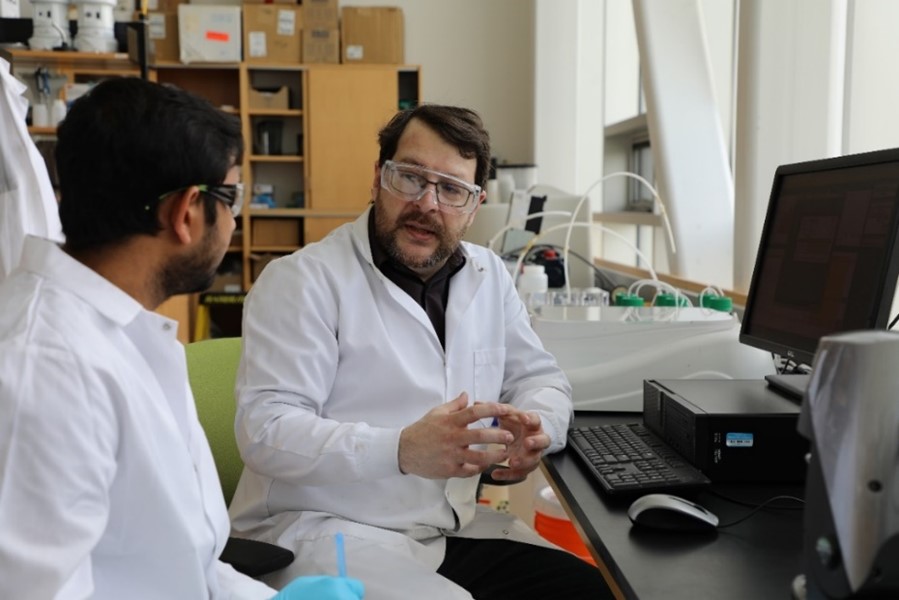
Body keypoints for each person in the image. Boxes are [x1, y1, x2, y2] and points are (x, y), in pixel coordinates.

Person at [229, 104, 613, 599]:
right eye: (410, 177)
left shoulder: (489, 276)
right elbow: (265, 429)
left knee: (590, 590)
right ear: (377, 178)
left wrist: (536, 428)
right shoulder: (303, 281)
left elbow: (541, 378)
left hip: (444, 531)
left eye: (451, 189)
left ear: (474, 206)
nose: (427, 203)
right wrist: (402, 449)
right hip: (324, 531)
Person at [0, 78, 363, 600]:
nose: (235, 223)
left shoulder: (126, 336)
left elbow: (182, 562)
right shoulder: (43, 367)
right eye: (232, 198)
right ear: (187, 211)